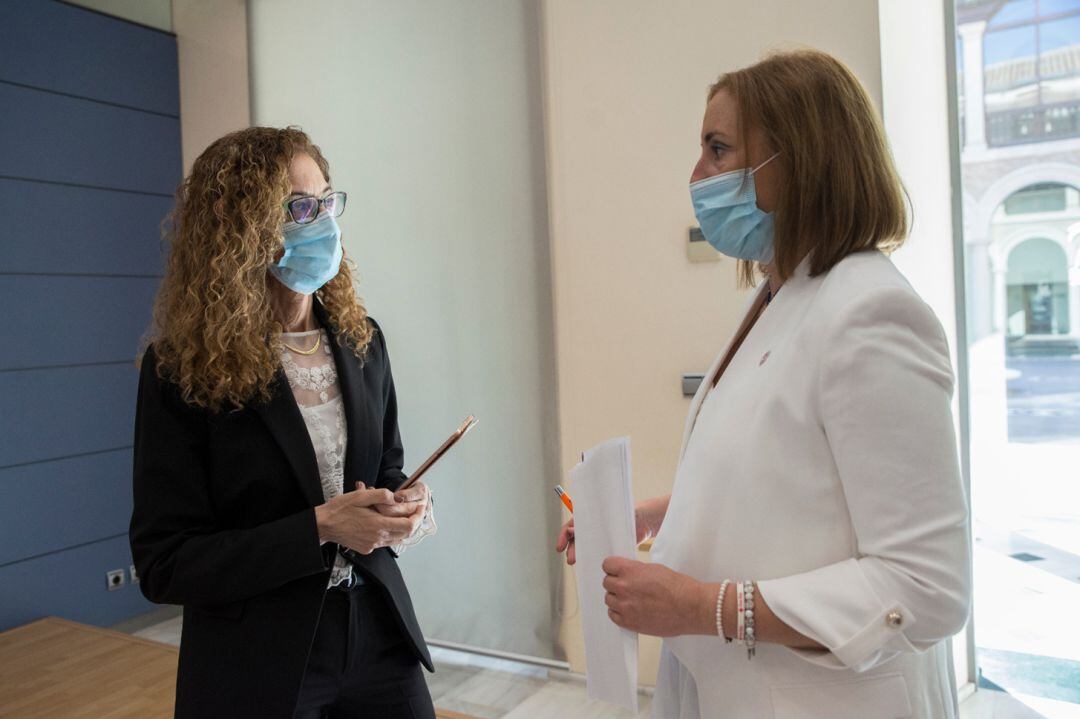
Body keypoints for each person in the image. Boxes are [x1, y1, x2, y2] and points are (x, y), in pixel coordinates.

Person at [556, 50, 971, 718]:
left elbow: (927, 586)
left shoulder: (872, 314)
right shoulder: (785, 296)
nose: (696, 176)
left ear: (800, 161)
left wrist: (701, 605)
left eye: (718, 150)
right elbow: (787, 466)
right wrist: (648, 516)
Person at [130, 127, 438, 719]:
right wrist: (320, 527)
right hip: (256, 655)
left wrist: (405, 505)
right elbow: (165, 562)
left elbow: (388, 469)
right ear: (238, 232)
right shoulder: (180, 370)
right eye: (299, 207)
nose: (322, 222)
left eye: (327, 202)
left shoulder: (362, 340)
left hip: (376, 634)